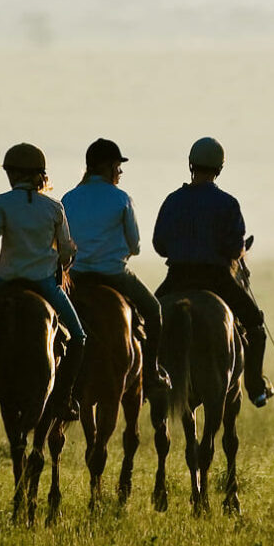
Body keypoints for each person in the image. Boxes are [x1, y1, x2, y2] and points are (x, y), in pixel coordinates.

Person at [0, 142, 87, 420]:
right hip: (44, 285)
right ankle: (65, 398)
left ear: (11, 174)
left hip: (4, 280)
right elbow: (65, 252)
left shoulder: (1, 202)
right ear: (39, 173)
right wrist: (65, 261)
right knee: (79, 338)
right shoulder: (54, 207)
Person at [152, 137, 274, 407]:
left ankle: (145, 381)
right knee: (254, 325)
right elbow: (234, 249)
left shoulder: (173, 201)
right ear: (219, 168)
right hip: (217, 279)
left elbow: (159, 245)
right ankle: (255, 387)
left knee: (143, 322)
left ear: (190, 165)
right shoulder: (228, 204)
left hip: (177, 278)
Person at [62, 138, 172, 395]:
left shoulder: (68, 198)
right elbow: (135, 246)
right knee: (154, 310)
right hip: (113, 274)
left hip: (75, 276)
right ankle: (151, 372)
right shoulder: (122, 199)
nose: (120, 172)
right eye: (118, 167)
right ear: (109, 167)